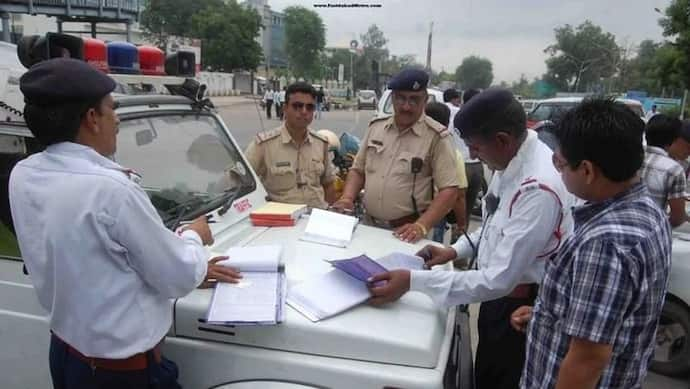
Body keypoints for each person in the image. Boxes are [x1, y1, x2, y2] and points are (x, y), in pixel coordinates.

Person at [10, 58, 240, 389]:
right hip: (118, 372)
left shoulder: (24, 174)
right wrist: (192, 236)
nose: (116, 120)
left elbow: (90, 258)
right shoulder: (112, 190)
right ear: (92, 118)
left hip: (64, 352)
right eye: (111, 109)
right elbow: (176, 277)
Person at [366, 88, 573, 389]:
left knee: (501, 380)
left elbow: (498, 279)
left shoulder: (537, 188)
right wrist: (452, 251)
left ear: (502, 140)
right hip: (496, 299)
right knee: (484, 373)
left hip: (517, 310)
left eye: (475, 148)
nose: (473, 155)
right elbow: (493, 225)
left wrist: (412, 282)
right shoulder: (510, 160)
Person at [514, 98, 671, 389]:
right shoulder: (647, 210)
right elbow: (615, 311)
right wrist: (548, 315)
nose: (557, 171)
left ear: (586, 170)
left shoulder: (605, 243)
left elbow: (587, 360)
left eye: (559, 163)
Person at [331, 68, 459, 243]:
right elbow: (358, 170)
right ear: (392, 98)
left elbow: (450, 190)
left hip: (407, 232)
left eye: (414, 100)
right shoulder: (376, 127)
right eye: (401, 98)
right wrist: (347, 198)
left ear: (425, 100)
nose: (406, 106)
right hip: (368, 226)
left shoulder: (436, 137)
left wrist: (422, 226)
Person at [245, 82, 337, 209]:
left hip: (316, 218)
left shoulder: (321, 144)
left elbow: (328, 184)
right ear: (285, 108)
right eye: (297, 106)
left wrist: (329, 217)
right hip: (282, 224)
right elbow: (238, 185)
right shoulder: (264, 145)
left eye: (309, 107)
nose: (304, 111)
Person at [424, 102, 468, 243]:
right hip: (437, 213)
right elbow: (459, 196)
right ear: (447, 122)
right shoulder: (453, 154)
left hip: (407, 214)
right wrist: (461, 224)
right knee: (431, 248)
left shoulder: (409, 146)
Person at [445, 88, 484, 233]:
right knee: (465, 213)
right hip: (476, 168)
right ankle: (460, 248)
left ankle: (442, 246)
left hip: (457, 165)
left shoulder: (453, 114)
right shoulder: (481, 118)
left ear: (462, 100)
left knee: (447, 209)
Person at [640, 114, 688, 227]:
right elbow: (678, 218)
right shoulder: (674, 169)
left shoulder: (631, 157)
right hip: (651, 230)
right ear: (674, 139)